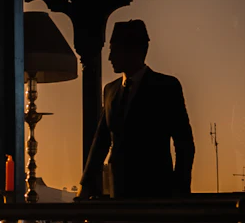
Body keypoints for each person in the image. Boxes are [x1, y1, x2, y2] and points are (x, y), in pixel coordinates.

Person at [80, 19, 194, 199]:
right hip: (118, 191)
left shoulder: (165, 87)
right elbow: (101, 141)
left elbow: (184, 143)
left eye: (113, 51)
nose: (109, 58)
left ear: (133, 51)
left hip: (155, 192)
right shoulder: (110, 90)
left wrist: (179, 190)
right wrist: (86, 183)